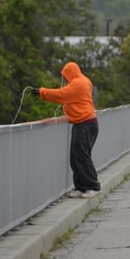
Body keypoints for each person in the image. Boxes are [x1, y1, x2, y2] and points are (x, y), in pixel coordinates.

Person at [33, 62, 102, 199]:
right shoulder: (83, 81)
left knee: (82, 157)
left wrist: (41, 92)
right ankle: (81, 187)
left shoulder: (79, 83)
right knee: (75, 157)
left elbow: (61, 95)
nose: (64, 79)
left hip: (85, 124)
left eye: (65, 76)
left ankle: (93, 186)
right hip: (83, 123)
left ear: (70, 73)